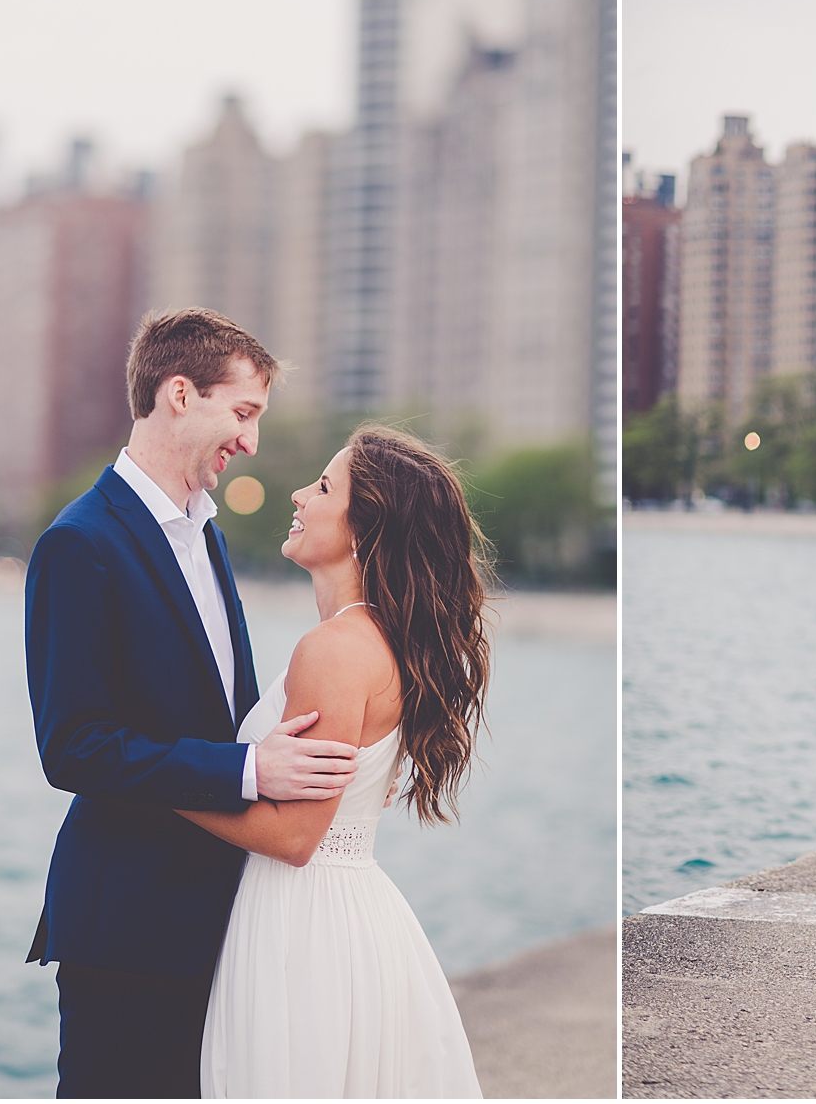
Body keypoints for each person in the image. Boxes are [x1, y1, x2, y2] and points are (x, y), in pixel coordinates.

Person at [26, 308, 365, 1098]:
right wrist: (249, 768)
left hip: (221, 920)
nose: (250, 442)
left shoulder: (206, 534)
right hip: (128, 928)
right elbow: (73, 745)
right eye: (242, 413)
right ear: (180, 394)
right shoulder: (79, 544)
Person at [182, 425, 489, 1098]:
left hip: (303, 923)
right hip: (346, 913)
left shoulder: (335, 649)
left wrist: (155, 781)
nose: (298, 494)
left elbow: (295, 836)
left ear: (362, 528)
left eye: (323, 486)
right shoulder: (378, 639)